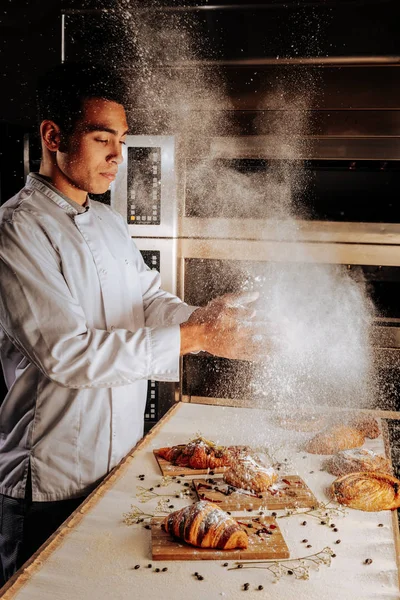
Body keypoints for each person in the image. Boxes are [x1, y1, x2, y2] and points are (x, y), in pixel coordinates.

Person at [0, 62, 266, 584]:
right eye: (103, 139)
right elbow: (67, 355)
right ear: (53, 136)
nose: (117, 157)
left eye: (121, 140)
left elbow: (146, 300)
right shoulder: (18, 229)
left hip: (117, 471)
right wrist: (195, 337)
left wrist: (206, 320)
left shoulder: (107, 222)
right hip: (51, 484)